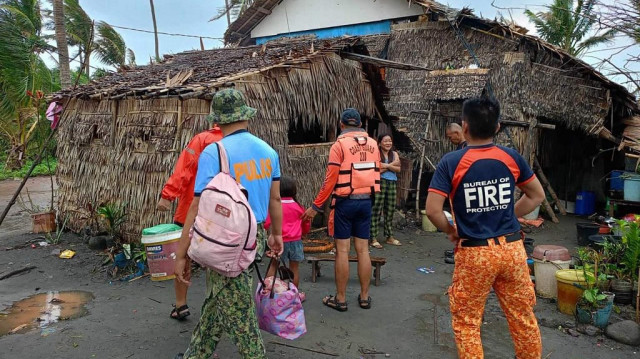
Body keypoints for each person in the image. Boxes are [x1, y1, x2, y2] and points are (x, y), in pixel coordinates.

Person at [425, 97, 545, 359]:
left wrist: (451, 230)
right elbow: (536, 196)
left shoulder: (451, 162)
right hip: (513, 249)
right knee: (522, 318)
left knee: (467, 322)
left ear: (464, 127)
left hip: (475, 253)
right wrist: (507, 213)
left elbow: (433, 210)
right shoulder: (511, 157)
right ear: (498, 127)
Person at [173, 89, 283, 359]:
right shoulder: (268, 152)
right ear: (246, 117)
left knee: (240, 315)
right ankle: (195, 354)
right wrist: (276, 234)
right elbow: (276, 199)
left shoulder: (214, 152)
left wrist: (181, 252)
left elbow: (197, 205)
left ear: (218, 121)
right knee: (218, 299)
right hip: (254, 237)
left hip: (224, 242)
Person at [302, 108, 380, 311]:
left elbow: (330, 180)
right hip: (366, 202)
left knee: (342, 251)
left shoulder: (339, 146)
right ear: (361, 124)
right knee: (363, 250)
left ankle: (341, 298)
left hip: (345, 203)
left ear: (341, 125)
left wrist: (315, 206)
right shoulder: (373, 144)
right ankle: (364, 297)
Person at [157, 124, 223, 321]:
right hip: (223, 213)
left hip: (193, 208)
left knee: (183, 255)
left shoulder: (203, 139)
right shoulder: (240, 144)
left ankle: (181, 304)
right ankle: (217, 305)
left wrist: (167, 195)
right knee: (220, 257)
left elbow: (185, 168)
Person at [264, 176, 310, 302]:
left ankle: (268, 292)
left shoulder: (275, 206)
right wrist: (304, 233)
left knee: (273, 265)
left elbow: (267, 223)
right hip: (296, 241)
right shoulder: (298, 206)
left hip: (279, 242)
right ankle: (293, 295)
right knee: (294, 268)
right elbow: (306, 223)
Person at [370, 133, 402, 249]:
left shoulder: (394, 154)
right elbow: (376, 170)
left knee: (390, 210)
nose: (388, 143)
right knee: (376, 209)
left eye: (390, 141)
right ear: (379, 143)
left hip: (392, 183)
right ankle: (373, 237)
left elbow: (398, 169)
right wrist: (391, 165)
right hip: (380, 182)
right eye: (385, 141)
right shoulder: (376, 154)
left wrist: (385, 166)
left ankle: (389, 237)